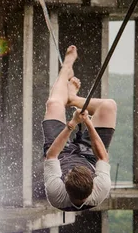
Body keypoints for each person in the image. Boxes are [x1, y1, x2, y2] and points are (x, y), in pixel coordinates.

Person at [43, 45, 117, 210]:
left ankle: (67, 66)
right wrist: (87, 122)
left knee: (53, 104)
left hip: (61, 156)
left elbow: (52, 154)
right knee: (108, 106)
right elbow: (102, 158)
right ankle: (73, 99)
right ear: (93, 181)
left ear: (65, 182)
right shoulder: (101, 188)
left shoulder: (56, 193)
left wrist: (72, 124)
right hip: (89, 158)